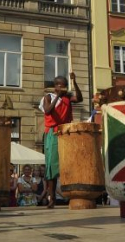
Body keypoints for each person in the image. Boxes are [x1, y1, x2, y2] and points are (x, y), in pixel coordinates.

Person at [39, 73, 82, 208]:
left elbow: (79, 98)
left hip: (65, 130)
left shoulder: (68, 97)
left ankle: (72, 195)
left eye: (64, 85)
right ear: (54, 86)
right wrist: (57, 95)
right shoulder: (48, 97)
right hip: (52, 132)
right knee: (51, 165)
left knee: (69, 162)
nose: (61, 87)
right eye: (58, 85)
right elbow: (47, 111)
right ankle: (52, 198)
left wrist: (74, 82)